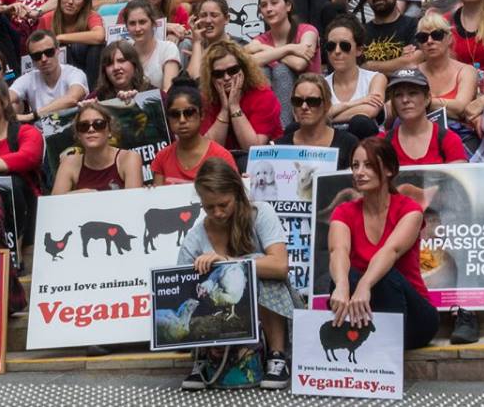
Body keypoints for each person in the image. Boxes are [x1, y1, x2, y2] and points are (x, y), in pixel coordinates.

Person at [176, 158, 295, 390]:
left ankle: (277, 355)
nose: (217, 213)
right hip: (219, 307)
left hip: (262, 307)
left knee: (260, 269)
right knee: (196, 283)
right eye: (209, 207)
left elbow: (281, 266)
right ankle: (204, 356)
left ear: (237, 194)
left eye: (223, 204)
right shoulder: (196, 236)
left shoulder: (261, 213)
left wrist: (230, 263)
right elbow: (181, 286)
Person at [324, 137, 439, 351]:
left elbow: (390, 251)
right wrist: (341, 285)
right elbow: (338, 250)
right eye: (355, 166)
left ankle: (382, 356)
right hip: (367, 311)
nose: (359, 172)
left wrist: (364, 285)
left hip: (414, 317)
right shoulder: (344, 211)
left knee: (385, 276)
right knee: (342, 277)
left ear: (388, 169)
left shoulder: (410, 210)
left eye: (368, 165)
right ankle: (359, 350)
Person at [11, 28, 89, 121]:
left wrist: (32, 116)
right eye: (37, 56)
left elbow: (72, 98)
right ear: (32, 60)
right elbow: (4, 99)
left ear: (57, 51)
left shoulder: (74, 73)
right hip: (41, 132)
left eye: (49, 52)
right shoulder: (28, 78)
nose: (44, 59)